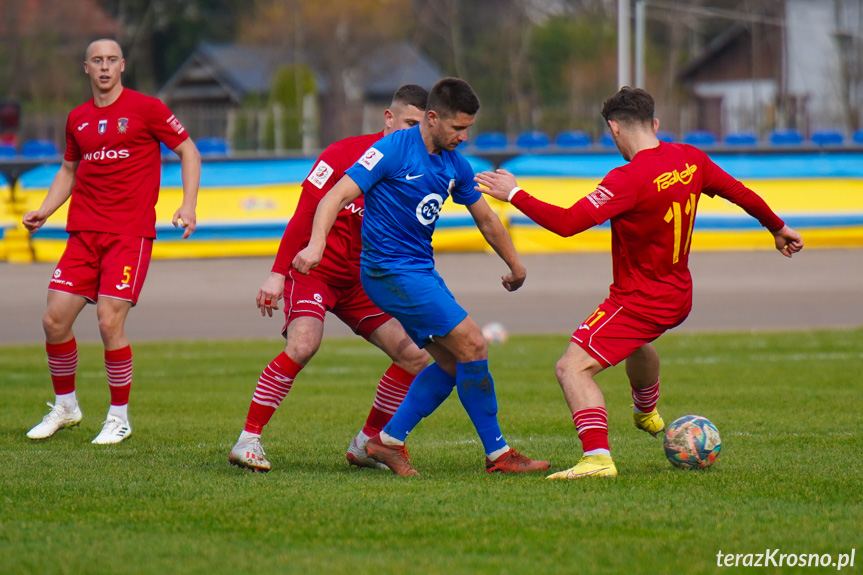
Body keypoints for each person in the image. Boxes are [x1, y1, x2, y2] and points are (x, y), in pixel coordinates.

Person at [474, 86, 804, 480]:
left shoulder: (627, 179)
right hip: (678, 294)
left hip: (640, 299)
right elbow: (739, 192)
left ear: (614, 128)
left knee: (571, 368)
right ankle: (646, 411)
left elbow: (566, 224)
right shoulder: (690, 158)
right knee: (637, 340)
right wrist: (778, 227)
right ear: (656, 124)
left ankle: (597, 459)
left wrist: (514, 193)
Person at [293, 77, 548, 476]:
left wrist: (516, 264)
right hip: (387, 271)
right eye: (457, 128)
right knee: (475, 345)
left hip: (418, 270)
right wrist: (315, 245)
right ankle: (499, 455)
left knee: (449, 363)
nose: (464, 137)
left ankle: (387, 442)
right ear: (432, 118)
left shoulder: (454, 164)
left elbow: (484, 217)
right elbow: (335, 195)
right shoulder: (391, 151)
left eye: (468, 128)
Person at [229, 85, 431, 473]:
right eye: (409, 123)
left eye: (421, 128)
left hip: (362, 282)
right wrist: (275, 274)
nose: (414, 135)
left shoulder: (415, 168)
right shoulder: (341, 154)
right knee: (303, 345)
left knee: (415, 355)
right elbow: (304, 215)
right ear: (388, 119)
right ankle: (248, 439)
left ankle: (366, 443)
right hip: (314, 273)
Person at [23, 39, 200, 444]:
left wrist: (188, 205)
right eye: (97, 61)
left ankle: (118, 416)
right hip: (83, 232)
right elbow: (68, 170)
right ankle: (66, 407)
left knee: (108, 320)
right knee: (54, 321)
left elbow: (189, 151)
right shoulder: (77, 118)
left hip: (129, 234)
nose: (104, 67)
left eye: (111, 60)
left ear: (123, 65)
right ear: (86, 68)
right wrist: (44, 210)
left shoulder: (147, 108)